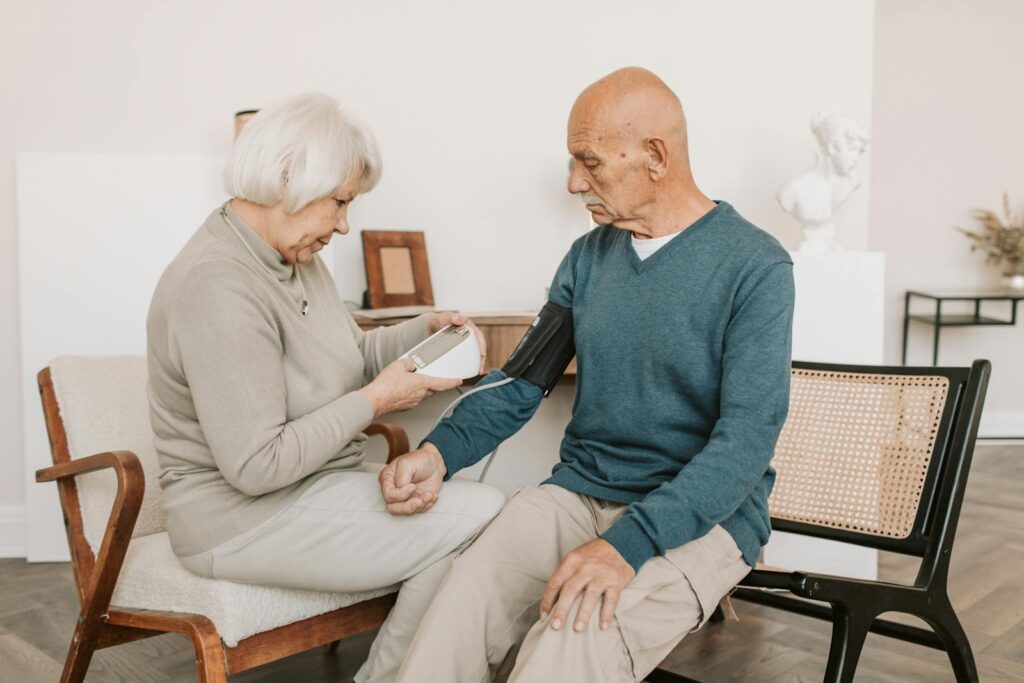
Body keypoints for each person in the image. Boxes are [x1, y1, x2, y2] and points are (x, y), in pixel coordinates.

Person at [381, 67, 795, 682]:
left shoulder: (755, 265)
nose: (575, 183)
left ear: (654, 155)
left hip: (700, 518)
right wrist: (439, 453)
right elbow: (521, 383)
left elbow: (745, 442)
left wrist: (627, 546)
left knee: (572, 636)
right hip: (580, 492)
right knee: (460, 594)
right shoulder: (588, 256)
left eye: (590, 162)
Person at [146, 93, 506, 683]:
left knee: (475, 519)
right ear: (287, 177)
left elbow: (347, 355)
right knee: (481, 516)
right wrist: (377, 401)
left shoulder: (292, 255)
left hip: (311, 489)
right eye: (339, 202)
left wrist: (423, 330)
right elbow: (256, 465)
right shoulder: (216, 284)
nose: (343, 223)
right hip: (238, 517)